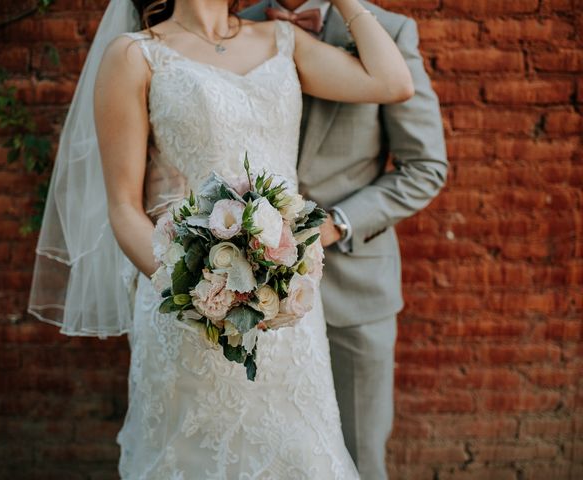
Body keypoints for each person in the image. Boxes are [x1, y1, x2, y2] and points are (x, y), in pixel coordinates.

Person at [27, 0, 414, 477]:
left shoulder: (281, 40)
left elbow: (392, 82)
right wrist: (194, 292)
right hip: (190, 301)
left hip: (284, 303)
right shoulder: (135, 55)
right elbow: (123, 207)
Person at [239, 1, 448, 479]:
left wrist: (337, 223)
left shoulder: (388, 32)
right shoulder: (235, 27)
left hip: (353, 295)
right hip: (248, 294)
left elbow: (425, 168)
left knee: (359, 459)